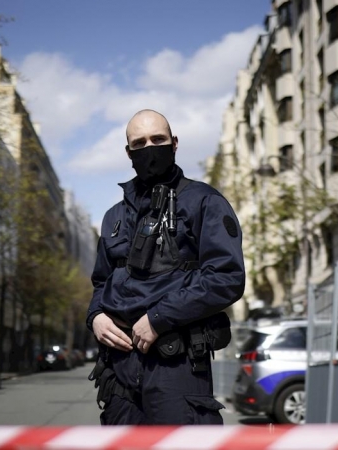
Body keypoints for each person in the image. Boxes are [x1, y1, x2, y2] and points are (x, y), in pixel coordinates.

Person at [86, 109, 246, 425]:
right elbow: (101, 282)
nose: (149, 148)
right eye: (139, 142)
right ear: (128, 151)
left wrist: (159, 318)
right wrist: (95, 316)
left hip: (177, 365)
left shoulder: (204, 201)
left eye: (157, 139)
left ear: (174, 143)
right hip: (119, 369)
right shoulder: (113, 217)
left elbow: (227, 277)